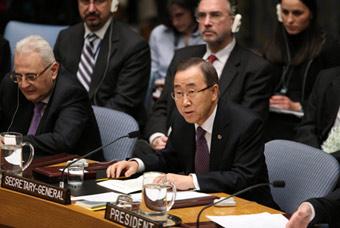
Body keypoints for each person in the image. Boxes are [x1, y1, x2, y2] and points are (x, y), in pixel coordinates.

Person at [107, 58, 278, 208]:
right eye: (179, 93)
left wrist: (191, 181)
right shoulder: (182, 118)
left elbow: (242, 178)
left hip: (247, 210)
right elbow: (170, 157)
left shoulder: (246, 124)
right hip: (202, 205)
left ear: (213, 92)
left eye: (192, 92)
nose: (185, 102)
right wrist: (137, 164)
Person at [144, 0, 274, 151]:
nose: (206, 23)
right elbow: (163, 106)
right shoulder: (182, 57)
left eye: (215, 15)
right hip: (172, 154)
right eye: (201, 16)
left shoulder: (255, 68)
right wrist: (157, 136)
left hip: (220, 158)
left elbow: (248, 125)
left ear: (234, 20)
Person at [0, 35, 102, 159]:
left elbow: (61, 141)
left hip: (74, 170)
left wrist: (12, 142)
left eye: (31, 77)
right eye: (19, 76)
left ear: (53, 70)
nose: (24, 84)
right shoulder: (11, 84)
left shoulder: (71, 93)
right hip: (21, 165)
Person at [54, 0, 150, 128]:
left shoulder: (134, 46)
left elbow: (123, 104)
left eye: (99, 1)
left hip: (111, 129)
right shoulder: (65, 37)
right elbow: (55, 88)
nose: (91, 9)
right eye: (85, 2)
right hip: (65, 125)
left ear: (113, 3)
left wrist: (77, 122)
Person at [262, 0, 340, 141]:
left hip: (307, 126)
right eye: (285, 12)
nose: (290, 20)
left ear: (311, 14)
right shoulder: (274, 43)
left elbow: (331, 95)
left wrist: (298, 105)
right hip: (270, 122)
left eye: (297, 13)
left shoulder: (327, 47)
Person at [148, 0, 204, 102]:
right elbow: (152, 72)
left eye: (179, 15)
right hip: (161, 95)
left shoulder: (205, 33)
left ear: (193, 10)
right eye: (171, 17)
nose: (175, 22)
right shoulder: (159, 34)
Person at [295, 67, 340, 161]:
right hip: (314, 154)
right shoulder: (327, 77)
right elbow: (307, 125)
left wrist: (327, 162)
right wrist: (315, 157)